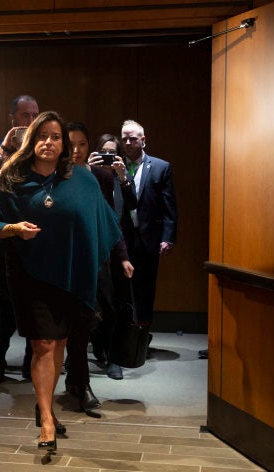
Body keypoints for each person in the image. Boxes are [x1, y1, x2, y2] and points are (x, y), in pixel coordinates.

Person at [0, 111, 122, 451]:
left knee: (58, 342)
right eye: (42, 135)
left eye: (56, 137)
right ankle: (46, 419)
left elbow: (102, 223)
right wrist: (15, 228)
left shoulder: (83, 180)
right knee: (43, 344)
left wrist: (102, 261)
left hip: (71, 274)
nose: (49, 142)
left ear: (64, 145)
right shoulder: (11, 179)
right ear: (32, 141)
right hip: (29, 274)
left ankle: (45, 406)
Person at [91, 120, 177, 380]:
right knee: (115, 298)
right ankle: (110, 350)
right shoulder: (105, 170)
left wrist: (168, 237)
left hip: (146, 240)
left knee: (143, 294)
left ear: (143, 138)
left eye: (133, 138)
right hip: (116, 239)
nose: (128, 143)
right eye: (124, 139)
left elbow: (168, 205)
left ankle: (136, 344)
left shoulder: (159, 167)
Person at [65, 123, 134, 403]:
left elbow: (110, 219)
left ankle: (88, 367)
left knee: (103, 310)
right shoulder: (56, 176)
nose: (77, 151)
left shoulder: (102, 178)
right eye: (71, 145)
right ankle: (80, 380)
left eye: (82, 144)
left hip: (97, 256)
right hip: (68, 257)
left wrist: (123, 255)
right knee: (76, 318)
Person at [0, 95, 39, 382]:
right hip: (2, 239)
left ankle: (31, 363)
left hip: (33, 239)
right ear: (12, 118)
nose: (30, 120)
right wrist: (6, 147)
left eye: (34, 115)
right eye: (25, 115)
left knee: (31, 304)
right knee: (4, 306)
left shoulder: (41, 149)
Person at [88, 133, 139, 380]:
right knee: (91, 302)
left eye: (113, 153)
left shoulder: (120, 177)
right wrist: (89, 168)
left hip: (116, 245)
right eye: (103, 152)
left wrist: (121, 175)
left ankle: (111, 354)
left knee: (113, 303)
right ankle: (98, 348)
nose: (107, 157)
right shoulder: (90, 175)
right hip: (92, 246)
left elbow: (130, 205)